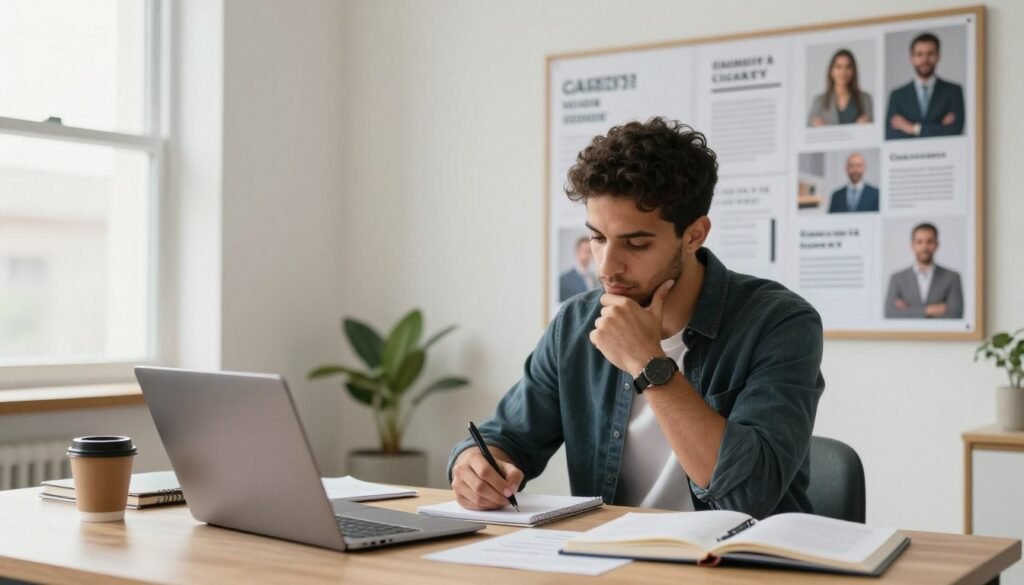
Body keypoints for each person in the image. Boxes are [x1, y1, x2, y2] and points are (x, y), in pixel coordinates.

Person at [448, 118, 824, 519]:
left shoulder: (780, 323)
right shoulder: (576, 324)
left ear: (695, 235)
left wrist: (649, 362)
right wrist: (474, 465)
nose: (607, 267)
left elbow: (749, 494)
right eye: (597, 238)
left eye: (637, 244)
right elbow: (506, 436)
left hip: (740, 565)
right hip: (612, 560)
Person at [885, 32, 965, 140]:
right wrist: (939, 127)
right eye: (919, 54)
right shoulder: (897, 95)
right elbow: (892, 135)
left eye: (930, 54)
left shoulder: (953, 91)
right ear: (912, 59)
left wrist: (913, 128)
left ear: (938, 57)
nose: (925, 60)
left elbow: (955, 130)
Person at [885, 222, 963, 318]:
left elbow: (955, 313)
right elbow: (890, 314)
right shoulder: (897, 278)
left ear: (936, 244)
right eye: (919, 242)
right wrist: (928, 310)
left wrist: (909, 310)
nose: (924, 247)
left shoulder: (952, 277)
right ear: (913, 245)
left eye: (929, 241)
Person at [807, 49, 873, 127]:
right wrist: (819, 129)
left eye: (848, 67)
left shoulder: (865, 98)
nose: (843, 72)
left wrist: (868, 125)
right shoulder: (819, 101)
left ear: (853, 71)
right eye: (838, 67)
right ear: (831, 71)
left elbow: (874, 130)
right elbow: (807, 130)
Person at [559, 236, 597, 301]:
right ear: (577, 252)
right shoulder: (564, 279)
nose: (587, 255)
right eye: (584, 251)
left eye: (590, 251)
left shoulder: (595, 278)